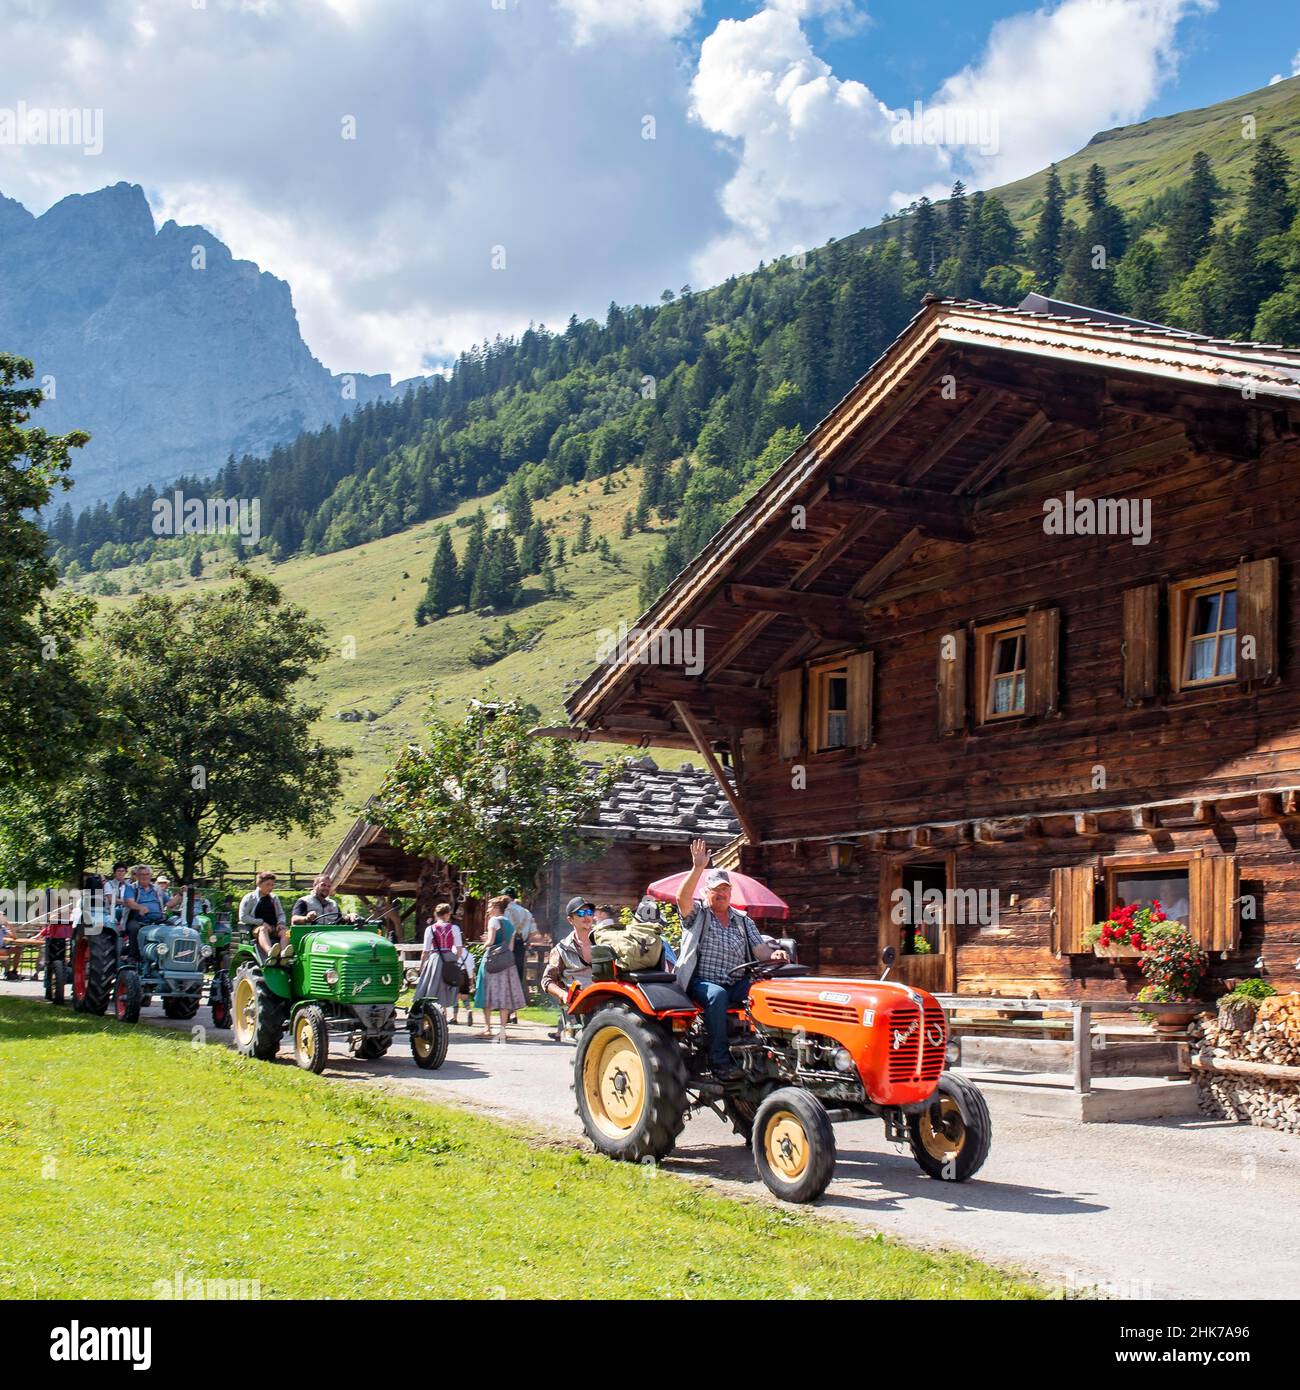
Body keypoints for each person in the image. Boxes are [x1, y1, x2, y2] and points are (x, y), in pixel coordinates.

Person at [675, 839, 787, 1082]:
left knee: (765, 991)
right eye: (716, 889)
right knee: (717, 995)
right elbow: (682, 899)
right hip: (702, 981)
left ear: (731, 893)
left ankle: (767, 1050)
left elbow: (759, 950)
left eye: (725, 889)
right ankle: (719, 1061)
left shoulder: (743, 920)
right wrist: (697, 868)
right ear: (706, 893)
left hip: (736, 981)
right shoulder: (699, 915)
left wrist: (774, 954)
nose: (722, 893)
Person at [540, 897, 595, 1041]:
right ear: (570, 920)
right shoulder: (561, 949)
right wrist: (563, 995)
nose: (587, 917)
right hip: (579, 1007)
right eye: (581, 914)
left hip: (606, 1003)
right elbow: (547, 981)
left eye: (589, 912)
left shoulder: (605, 941)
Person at [474, 895, 526, 1042]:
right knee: (504, 995)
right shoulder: (510, 924)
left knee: (486, 993)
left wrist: (484, 943)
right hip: (506, 962)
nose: (489, 910)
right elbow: (510, 947)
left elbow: (490, 942)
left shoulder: (493, 921)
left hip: (492, 961)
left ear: (497, 908)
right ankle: (502, 1030)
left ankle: (487, 1028)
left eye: (490, 907)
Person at [121, 866, 183, 963]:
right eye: (141, 874)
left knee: (174, 929)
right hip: (138, 919)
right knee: (134, 928)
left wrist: (180, 894)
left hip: (158, 920)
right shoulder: (132, 888)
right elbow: (129, 902)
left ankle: (172, 957)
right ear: (137, 876)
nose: (144, 877)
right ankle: (133, 956)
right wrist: (140, 907)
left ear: (151, 876)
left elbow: (170, 904)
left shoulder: (157, 889)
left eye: (147, 874)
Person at [415, 904, 464, 1018]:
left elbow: (426, 951)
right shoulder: (454, 928)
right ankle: (444, 1015)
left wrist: (422, 967)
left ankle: (435, 1015)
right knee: (445, 987)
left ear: (436, 915)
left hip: (435, 958)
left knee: (433, 986)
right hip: (449, 958)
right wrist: (453, 960)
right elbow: (459, 949)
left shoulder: (430, 929)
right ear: (446, 914)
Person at [501, 890, 537, 1024]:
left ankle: (507, 1013)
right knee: (516, 979)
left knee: (506, 979)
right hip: (521, 946)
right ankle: (513, 1013)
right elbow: (533, 932)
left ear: (506, 896)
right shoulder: (527, 913)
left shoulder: (505, 911)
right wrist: (526, 943)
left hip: (507, 945)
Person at [239, 872, 290, 963]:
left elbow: (281, 914)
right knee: (263, 929)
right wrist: (261, 922)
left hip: (273, 927)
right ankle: (270, 953)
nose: (270, 887)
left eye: (272, 885)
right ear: (259, 884)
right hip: (257, 928)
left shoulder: (274, 898)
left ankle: (284, 955)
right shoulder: (249, 898)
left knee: (287, 932)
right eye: (268, 884)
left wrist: (281, 923)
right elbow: (243, 917)